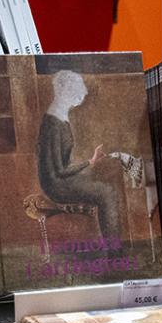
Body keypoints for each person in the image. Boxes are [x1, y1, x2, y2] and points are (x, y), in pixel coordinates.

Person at [37, 71, 125, 236]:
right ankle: (114, 250)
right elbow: (59, 171)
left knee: (105, 179)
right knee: (107, 193)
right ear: (64, 91)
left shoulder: (59, 116)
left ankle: (112, 245)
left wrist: (91, 162)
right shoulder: (53, 124)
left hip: (61, 179)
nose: (83, 93)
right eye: (77, 89)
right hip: (55, 185)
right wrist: (89, 162)